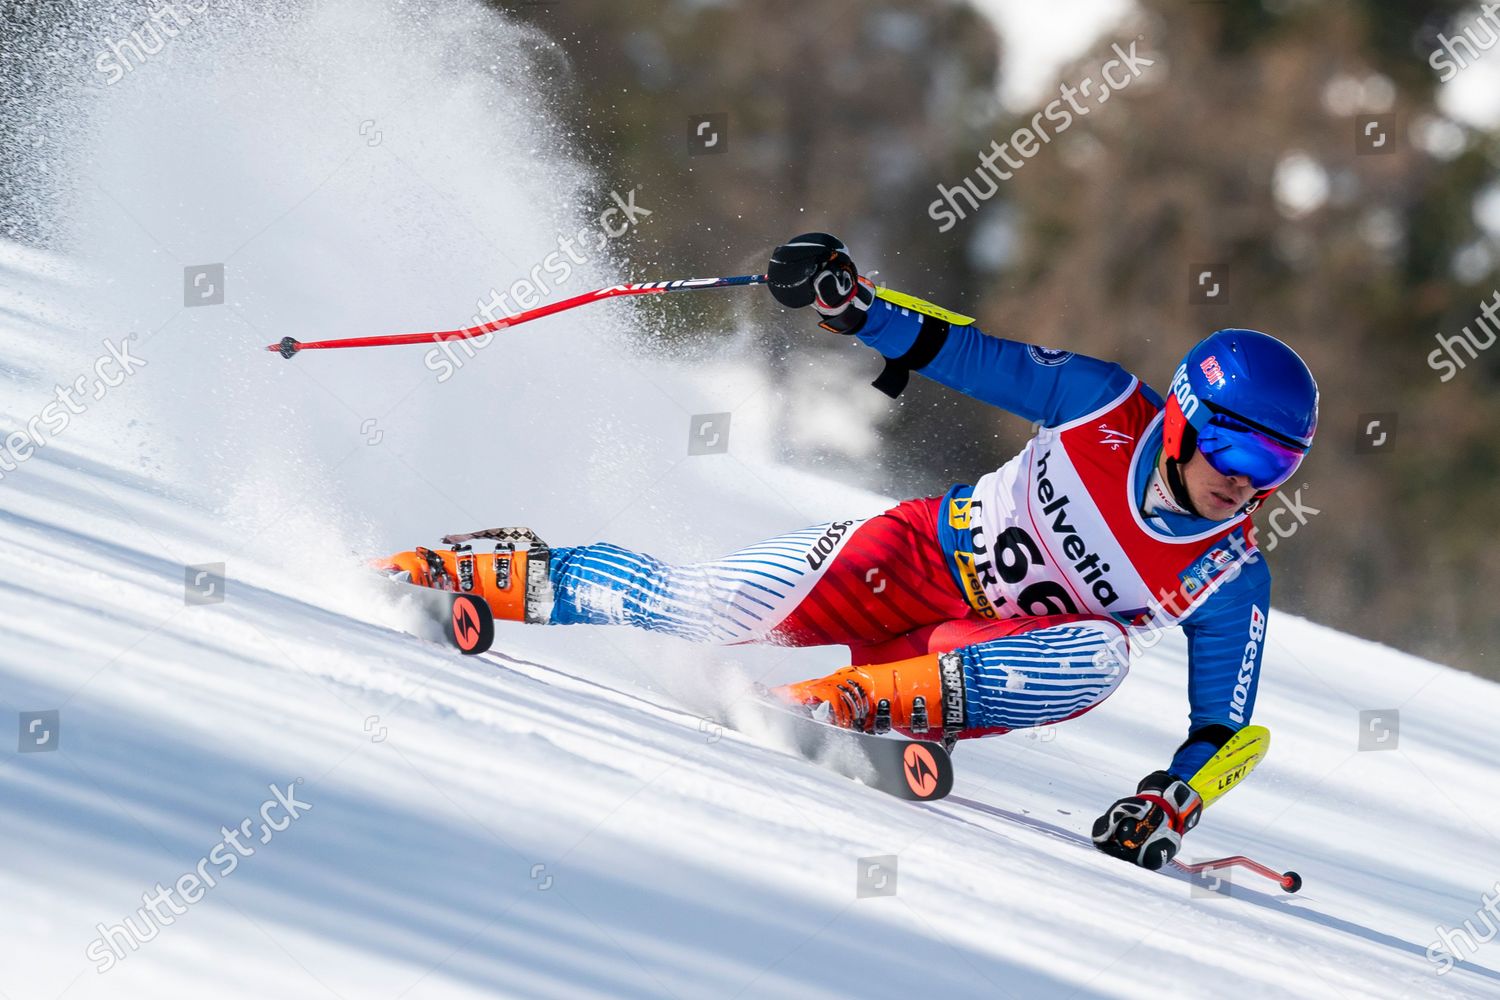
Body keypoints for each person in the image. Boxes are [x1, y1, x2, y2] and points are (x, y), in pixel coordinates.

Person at [380, 233, 1319, 872]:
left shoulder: (1229, 573)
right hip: (906, 558)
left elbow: (1228, 729)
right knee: (706, 606)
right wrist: (851, 302)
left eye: (1278, 463)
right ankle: (499, 574)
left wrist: (1169, 806)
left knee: (1105, 652)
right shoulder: (1103, 405)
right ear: (1187, 418)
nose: (1250, 481)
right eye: (1240, 449)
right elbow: (960, 351)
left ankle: (855, 706)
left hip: (963, 656)